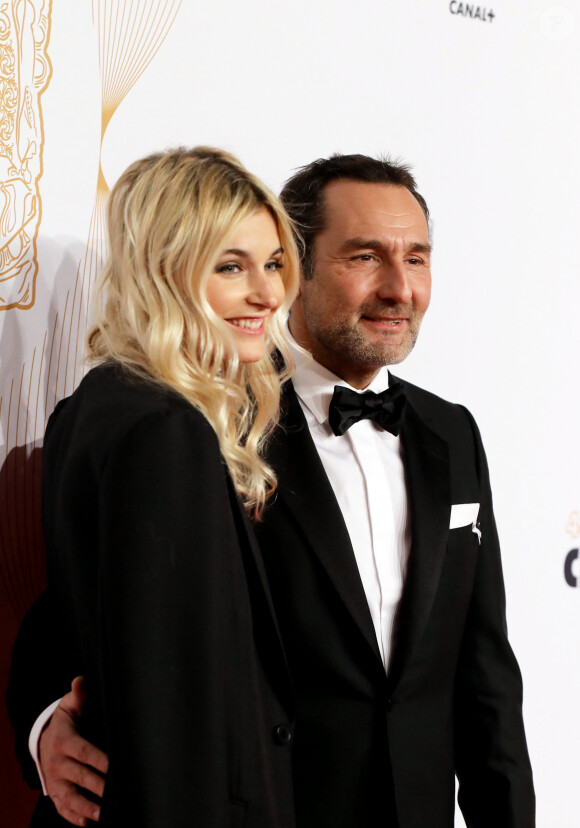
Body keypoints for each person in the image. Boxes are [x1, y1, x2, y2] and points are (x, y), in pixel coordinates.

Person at [9, 153, 535, 827]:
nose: (399, 288)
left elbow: (483, 670)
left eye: (418, 258)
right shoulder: (217, 418)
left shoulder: (450, 433)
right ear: (305, 265)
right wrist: (49, 724)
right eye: (365, 257)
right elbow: (79, 608)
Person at [8, 146, 301, 827]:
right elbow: (176, 715)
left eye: (274, 262)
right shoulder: (165, 432)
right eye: (231, 265)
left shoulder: (96, 405)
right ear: (165, 270)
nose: (268, 293)